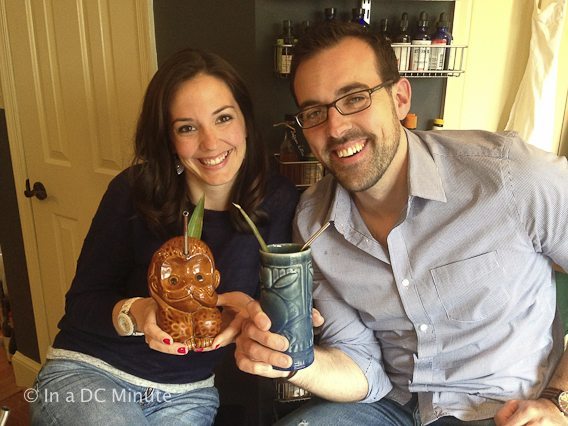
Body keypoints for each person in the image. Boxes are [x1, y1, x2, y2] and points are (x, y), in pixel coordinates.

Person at [234, 21, 568, 426]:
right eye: (315, 112)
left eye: (355, 98)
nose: (336, 128)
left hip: (506, 411)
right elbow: (360, 366)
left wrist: (558, 401)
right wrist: (290, 362)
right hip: (393, 407)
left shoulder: (513, 176)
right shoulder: (313, 223)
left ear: (400, 98)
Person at [29, 48, 299, 425]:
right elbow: (81, 305)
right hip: (91, 373)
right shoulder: (133, 190)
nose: (210, 142)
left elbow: (281, 305)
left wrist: (246, 315)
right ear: (169, 139)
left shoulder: (280, 200)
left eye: (223, 118)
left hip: (189, 393)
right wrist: (137, 313)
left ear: (245, 121)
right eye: (187, 127)